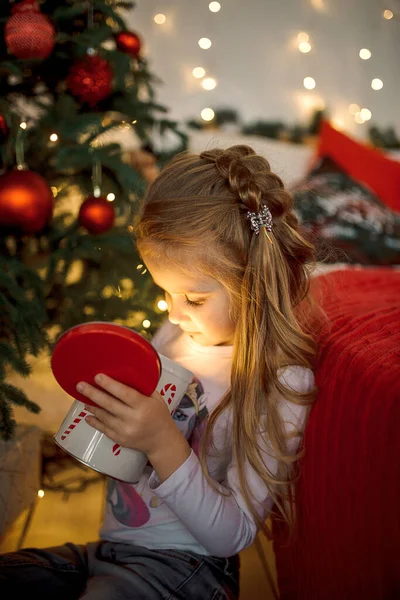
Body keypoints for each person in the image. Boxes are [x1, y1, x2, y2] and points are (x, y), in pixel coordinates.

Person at [0, 145, 318, 599]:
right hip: (111, 551)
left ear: (254, 281)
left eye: (193, 298)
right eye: (164, 291)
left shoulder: (278, 382)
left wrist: (162, 442)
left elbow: (232, 535)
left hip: (189, 569)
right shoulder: (172, 336)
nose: (174, 312)